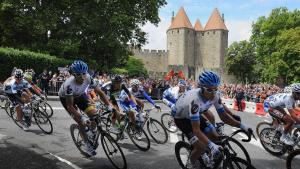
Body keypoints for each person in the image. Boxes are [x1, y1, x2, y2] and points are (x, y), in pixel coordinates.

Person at [174, 71, 252, 169]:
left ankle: (209, 156)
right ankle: (190, 163)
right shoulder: (195, 100)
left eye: (216, 89)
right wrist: (210, 145)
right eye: (210, 90)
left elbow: (224, 117)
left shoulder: (214, 95)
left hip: (194, 114)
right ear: (202, 88)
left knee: (216, 136)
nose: (214, 92)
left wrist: (242, 126)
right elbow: (196, 130)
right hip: (182, 118)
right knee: (201, 147)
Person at [58, 60, 115, 157]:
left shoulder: (88, 77)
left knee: (94, 115)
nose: (82, 77)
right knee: (81, 122)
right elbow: (70, 106)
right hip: (67, 99)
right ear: (74, 75)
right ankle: (86, 144)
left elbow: (100, 93)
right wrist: (82, 117)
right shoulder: (69, 85)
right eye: (79, 75)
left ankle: (91, 132)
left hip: (80, 95)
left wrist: (109, 105)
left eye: (84, 74)